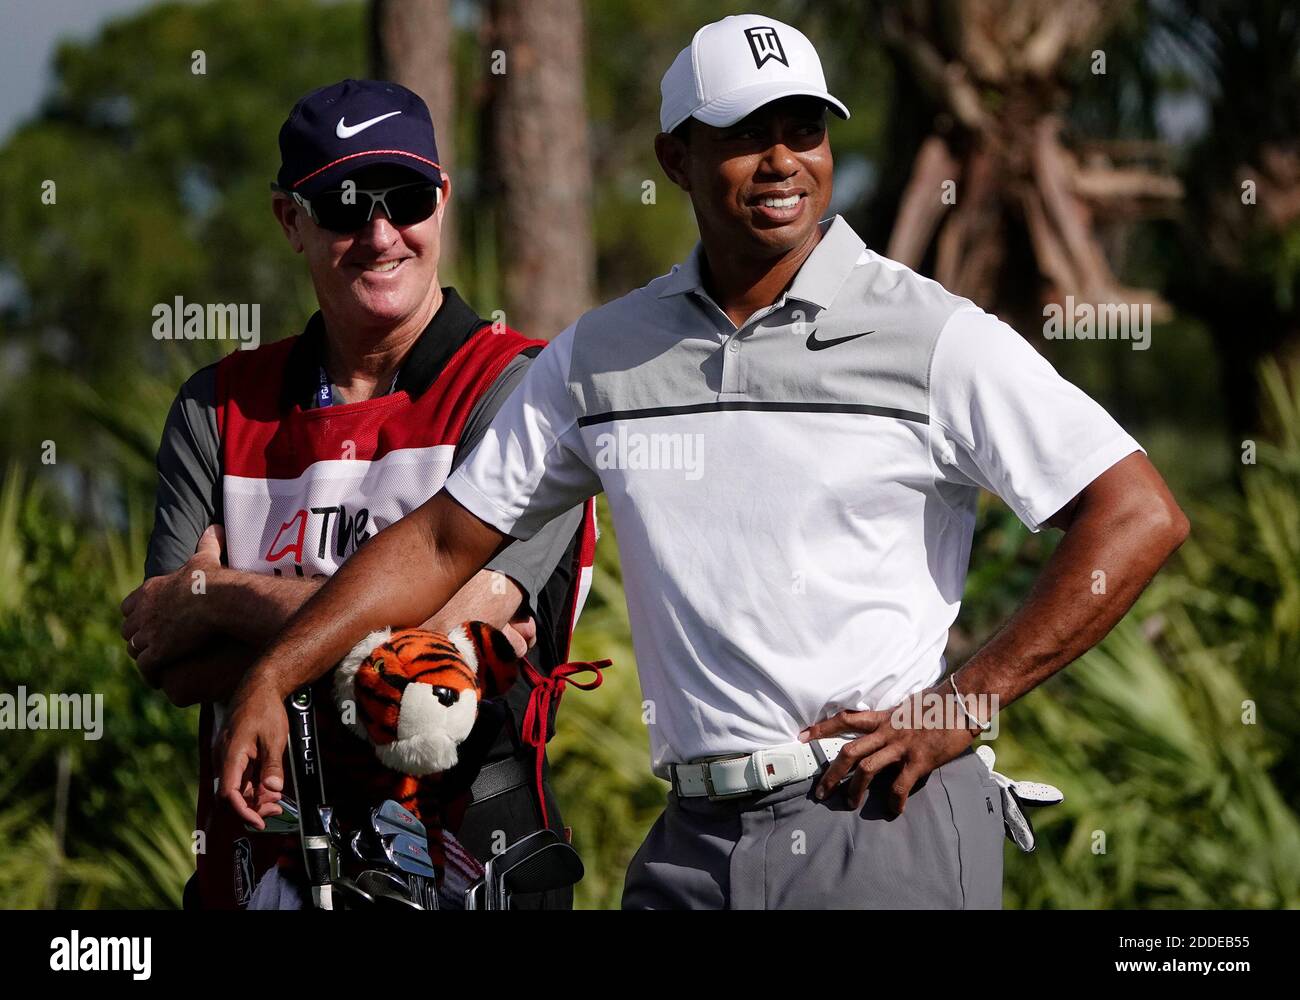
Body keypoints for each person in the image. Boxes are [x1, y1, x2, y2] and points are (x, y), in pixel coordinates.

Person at [216, 17, 1189, 909]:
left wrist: (964, 701)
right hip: (695, 844)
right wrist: (276, 673)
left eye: (803, 129)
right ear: (674, 158)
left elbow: (1136, 512)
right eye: (743, 133)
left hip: (881, 823)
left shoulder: (927, 331)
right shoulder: (602, 353)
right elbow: (440, 538)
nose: (781, 161)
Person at [120, 79, 594, 909]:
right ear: (289, 221)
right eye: (343, 205)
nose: (381, 235)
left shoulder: (525, 390)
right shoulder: (215, 404)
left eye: (405, 198)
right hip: (252, 876)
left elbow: (426, 663)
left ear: (442, 200)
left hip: (468, 879)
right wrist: (395, 620)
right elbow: (171, 658)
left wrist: (221, 597)